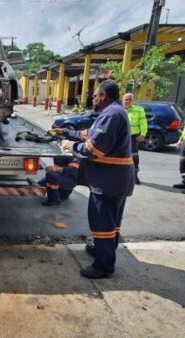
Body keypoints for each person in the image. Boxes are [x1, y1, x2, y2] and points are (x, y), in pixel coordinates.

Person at [50, 79, 134, 279]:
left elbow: (94, 149)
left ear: (103, 95)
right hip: (115, 179)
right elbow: (88, 134)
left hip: (109, 181)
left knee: (102, 222)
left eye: (95, 95)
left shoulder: (112, 114)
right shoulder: (111, 113)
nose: (92, 98)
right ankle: (103, 250)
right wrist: (66, 132)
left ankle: (104, 265)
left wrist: (71, 146)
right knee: (111, 222)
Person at [122, 93, 147, 184]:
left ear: (133, 100)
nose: (128, 101)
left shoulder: (139, 110)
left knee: (134, 157)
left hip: (133, 137)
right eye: (126, 99)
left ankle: (134, 176)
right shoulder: (119, 109)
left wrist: (143, 134)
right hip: (121, 137)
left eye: (130, 99)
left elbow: (143, 123)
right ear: (123, 100)